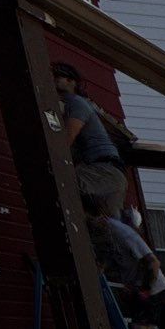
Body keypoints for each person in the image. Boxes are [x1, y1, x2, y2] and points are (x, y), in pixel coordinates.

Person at [87, 212, 165, 329]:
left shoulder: (125, 234)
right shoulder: (109, 235)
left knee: (139, 327)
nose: (92, 231)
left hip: (155, 288)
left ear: (102, 217)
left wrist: (145, 289)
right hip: (143, 288)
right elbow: (114, 258)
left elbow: (154, 263)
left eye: (92, 223)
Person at [52, 60, 127, 218]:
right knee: (109, 225)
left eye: (59, 76)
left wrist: (54, 158)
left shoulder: (77, 102)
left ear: (71, 82)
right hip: (110, 174)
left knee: (63, 182)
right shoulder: (74, 104)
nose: (54, 78)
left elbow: (69, 136)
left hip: (103, 170)